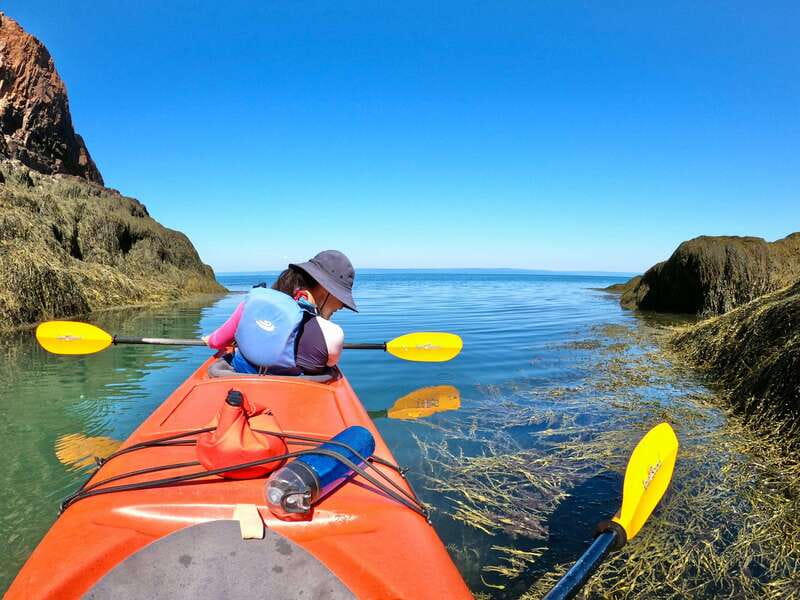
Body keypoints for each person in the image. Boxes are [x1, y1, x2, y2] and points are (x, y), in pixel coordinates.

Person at [204, 250, 357, 376]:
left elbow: (217, 341)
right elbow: (328, 364)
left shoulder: (251, 304)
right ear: (326, 289)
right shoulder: (333, 335)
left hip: (238, 382)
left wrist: (209, 339)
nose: (342, 306)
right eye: (342, 298)